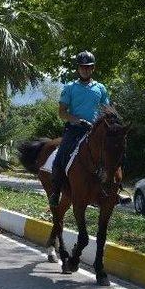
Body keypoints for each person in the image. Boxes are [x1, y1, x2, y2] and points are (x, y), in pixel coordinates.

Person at [48, 51, 109, 209]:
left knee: (113, 152)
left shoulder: (100, 88)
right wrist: (77, 120)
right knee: (61, 155)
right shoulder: (70, 87)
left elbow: (106, 108)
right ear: (78, 69)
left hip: (95, 131)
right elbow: (62, 112)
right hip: (75, 130)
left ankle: (114, 189)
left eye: (88, 67)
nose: (85, 70)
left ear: (93, 68)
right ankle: (55, 191)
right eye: (82, 67)